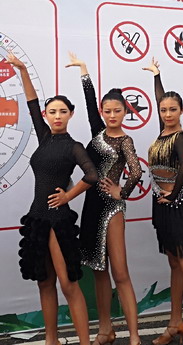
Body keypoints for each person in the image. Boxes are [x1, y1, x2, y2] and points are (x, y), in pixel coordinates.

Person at [8, 52, 98, 345]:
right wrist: (23, 70)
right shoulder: (44, 138)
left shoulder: (74, 147)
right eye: (52, 112)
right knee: (44, 283)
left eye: (62, 111)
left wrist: (68, 195)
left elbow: (92, 175)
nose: (57, 116)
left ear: (70, 114)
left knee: (68, 285)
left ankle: (85, 342)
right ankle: (51, 340)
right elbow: (32, 103)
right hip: (36, 218)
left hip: (58, 220)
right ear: (47, 116)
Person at [66, 53, 143, 345]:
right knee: (99, 270)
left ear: (125, 112)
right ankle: (105, 330)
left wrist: (122, 192)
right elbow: (89, 104)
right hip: (91, 207)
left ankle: (134, 336)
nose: (112, 115)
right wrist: (84, 71)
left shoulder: (125, 141)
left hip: (112, 209)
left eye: (117, 111)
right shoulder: (98, 132)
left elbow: (136, 171)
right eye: (107, 111)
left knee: (120, 273)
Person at [143, 58, 183, 345]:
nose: (167, 113)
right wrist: (157, 75)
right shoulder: (163, 131)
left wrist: (174, 193)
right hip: (162, 208)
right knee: (174, 264)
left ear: (181, 111)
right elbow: (160, 97)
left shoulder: (179, 136)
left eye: (172, 109)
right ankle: (175, 323)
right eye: (163, 110)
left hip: (177, 207)